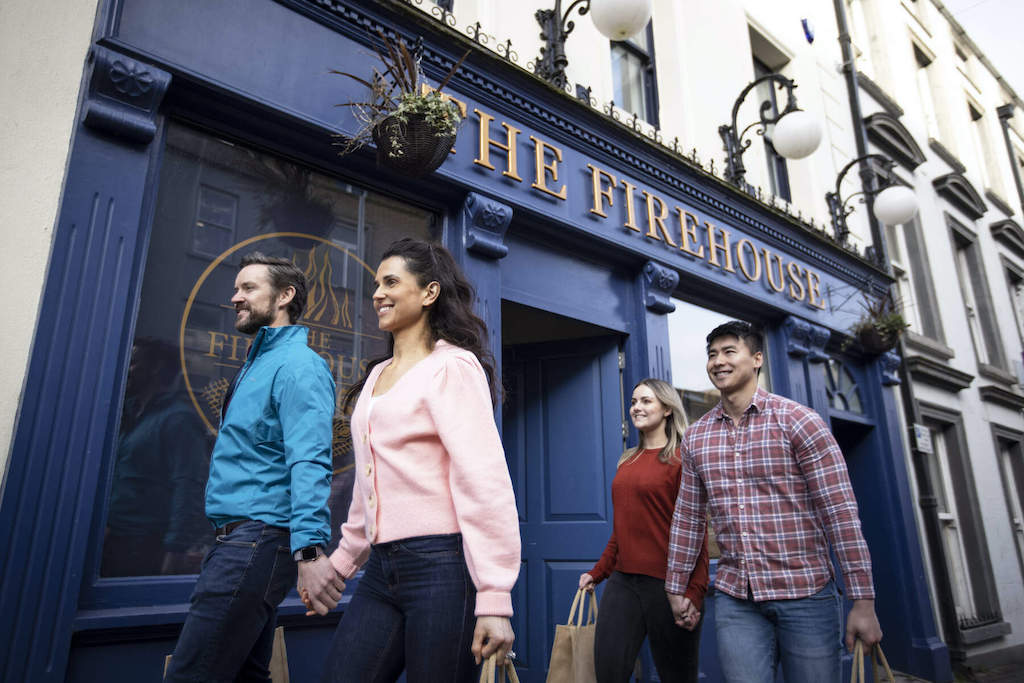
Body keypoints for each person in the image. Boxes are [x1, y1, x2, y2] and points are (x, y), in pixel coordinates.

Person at [320, 238, 520, 682]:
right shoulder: (375, 376)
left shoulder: (452, 367)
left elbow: (483, 481)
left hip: (442, 566)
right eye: (376, 283)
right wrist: (343, 561)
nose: (378, 293)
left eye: (391, 281)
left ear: (429, 293)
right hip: (381, 568)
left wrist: (494, 596)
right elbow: (369, 484)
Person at [665, 321, 882, 683]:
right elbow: (688, 518)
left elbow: (840, 514)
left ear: (757, 359)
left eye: (729, 351)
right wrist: (676, 585)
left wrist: (863, 600)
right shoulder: (697, 438)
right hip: (737, 598)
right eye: (712, 355)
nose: (718, 361)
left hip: (806, 595)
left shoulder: (799, 421)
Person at [165, 252, 342, 682]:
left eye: (248, 288)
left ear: (285, 296)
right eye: (237, 288)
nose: (235, 297)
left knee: (191, 674)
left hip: (257, 540)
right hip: (238, 541)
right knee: (244, 674)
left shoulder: (299, 367)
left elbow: (309, 460)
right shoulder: (256, 365)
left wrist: (311, 549)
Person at [579, 378, 710, 683]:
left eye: (646, 401)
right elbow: (622, 528)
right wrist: (598, 572)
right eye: (634, 401)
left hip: (670, 585)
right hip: (624, 582)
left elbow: (698, 532)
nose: (637, 408)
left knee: (677, 676)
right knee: (609, 671)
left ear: (666, 409)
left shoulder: (681, 461)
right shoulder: (627, 460)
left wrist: (695, 591)